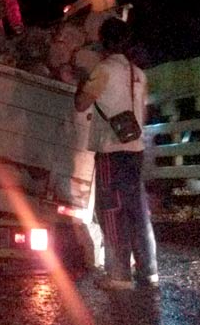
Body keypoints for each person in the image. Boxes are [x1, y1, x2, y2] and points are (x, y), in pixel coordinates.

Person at [74, 17, 159, 290]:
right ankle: (149, 272)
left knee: (111, 210)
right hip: (136, 150)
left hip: (111, 149)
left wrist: (82, 81)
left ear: (105, 42)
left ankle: (119, 275)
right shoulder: (140, 74)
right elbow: (142, 112)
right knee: (137, 209)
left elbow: (81, 104)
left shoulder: (104, 70)